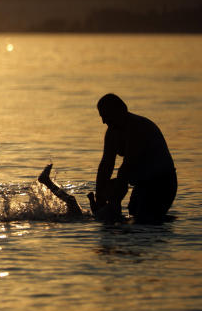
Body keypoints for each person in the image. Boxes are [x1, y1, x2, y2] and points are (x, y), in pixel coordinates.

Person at [96, 93, 177, 223]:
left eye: (106, 116)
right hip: (141, 182)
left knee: (145, 219)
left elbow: (128, 165)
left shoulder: (137, 127)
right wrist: (99, 196)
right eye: (102, 116)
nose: (103, 121)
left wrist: (114, 200)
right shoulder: (111, 133)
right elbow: (106, 165)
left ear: (120, 111)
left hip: (163, 182)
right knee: (133, 212)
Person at [37, 164, 125, 221]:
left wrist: (92, 201)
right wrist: (91, 200)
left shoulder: (113, 206)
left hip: (82, 219)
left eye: (108, 190)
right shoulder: (112, 205)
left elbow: (97, 214)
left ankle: (46, 181)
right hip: (84, 218)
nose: (104, 192)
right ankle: (46, 181)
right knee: (67, 206)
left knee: (71, 200)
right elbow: (97, 212)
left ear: (114, 193)